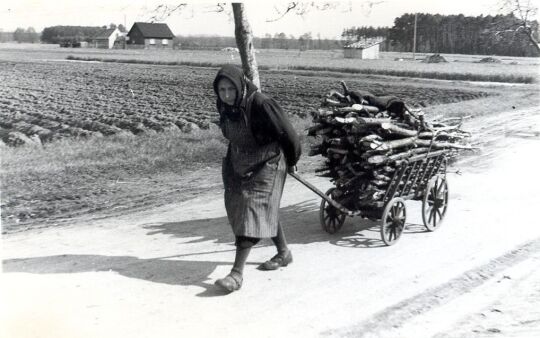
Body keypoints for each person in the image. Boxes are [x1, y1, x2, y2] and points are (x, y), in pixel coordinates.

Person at [212, 65, 301, 293]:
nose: (226, 95)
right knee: (255, 209)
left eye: (231, 89)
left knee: (250, 210)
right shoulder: (224, 105)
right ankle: (284, 253)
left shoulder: (261, 104)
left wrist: (291, 161)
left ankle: (236, 275)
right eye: (221, 90)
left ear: (240, 85)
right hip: (240, 159)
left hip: (268, 161)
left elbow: (288, 135)